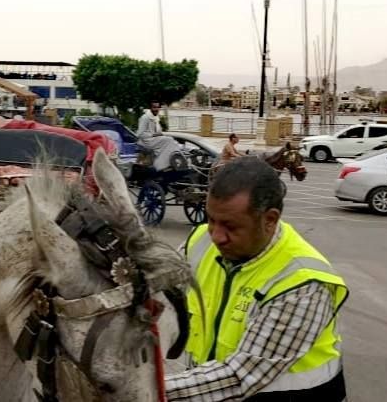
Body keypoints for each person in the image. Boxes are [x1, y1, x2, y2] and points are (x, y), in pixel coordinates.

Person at [167, 156, 348, 401]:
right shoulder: (200, 242)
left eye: (231, 226)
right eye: (211, 219)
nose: (217, 236)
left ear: (269, 220)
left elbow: (241, 376)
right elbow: (159, 293)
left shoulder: (303, 282)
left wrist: (144, 389)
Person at [136, 101, 183, 171]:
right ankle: (162, 165)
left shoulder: (155, 118)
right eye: (154, 107)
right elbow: (139, 134)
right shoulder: (145, 118)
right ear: (150, 108)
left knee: (171, 141)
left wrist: (159, 134)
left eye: (158, 107)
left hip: (153, 139)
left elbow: (158, 131)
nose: (156, 109)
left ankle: (168, 162)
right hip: (146, 141)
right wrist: (154, 135)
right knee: (169, 140)